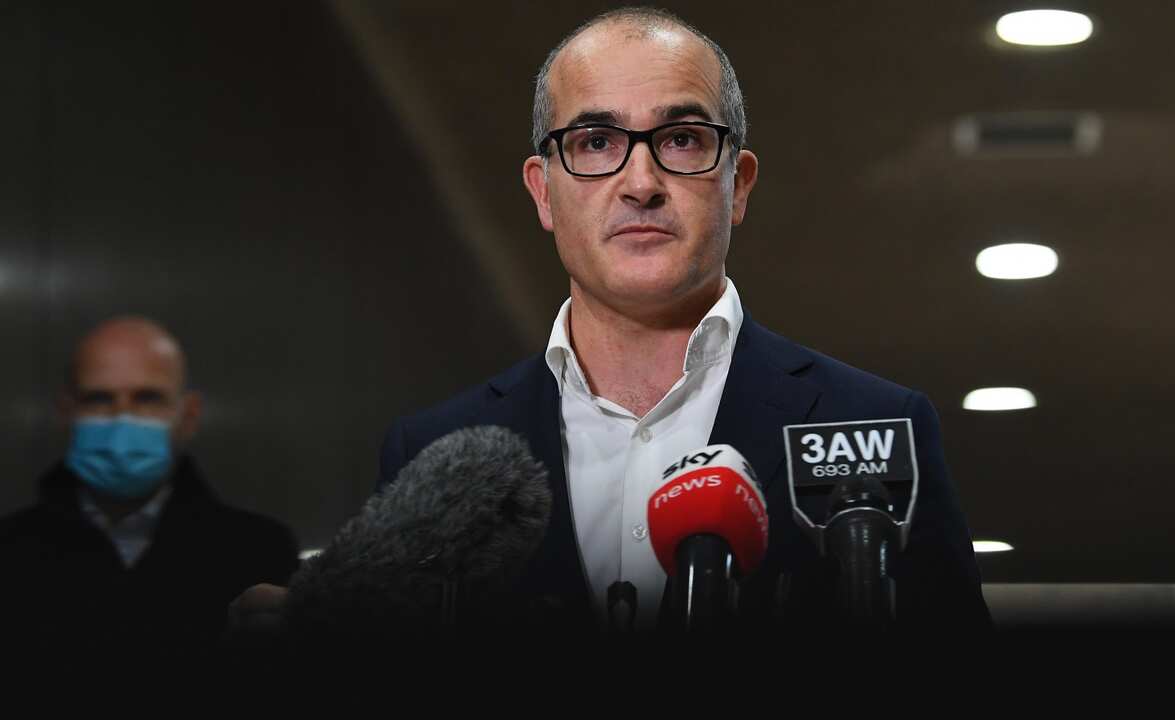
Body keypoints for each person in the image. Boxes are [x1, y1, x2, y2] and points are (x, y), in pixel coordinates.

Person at [374, 7, 990, 632]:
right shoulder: (427, 455)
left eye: (682, 140)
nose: (641, 183)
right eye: (596, 142)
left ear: (738, 184)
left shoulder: (875, 424)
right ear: (543, 192)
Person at [0, 316, 299, 658]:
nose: (122, 419)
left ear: (188, 416)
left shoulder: (260, 550)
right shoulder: (8, 553)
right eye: (99, 398)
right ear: (67, 413)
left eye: (147, 398)